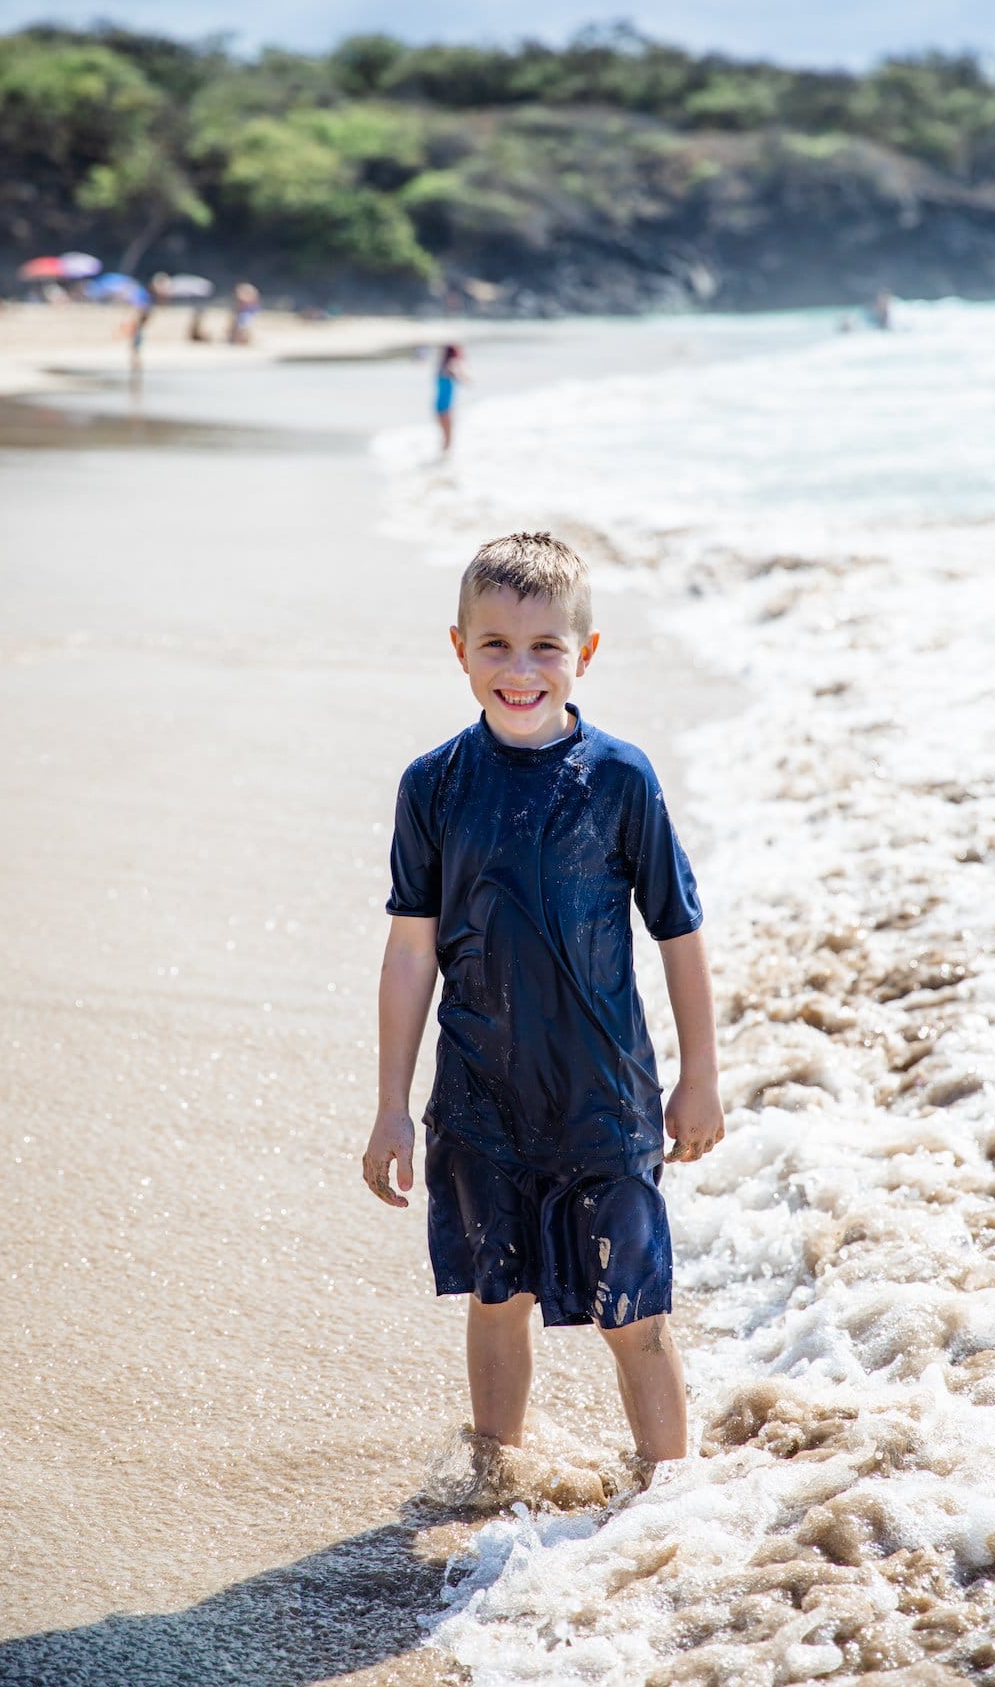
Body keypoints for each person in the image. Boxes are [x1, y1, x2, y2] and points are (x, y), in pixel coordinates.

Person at [363, 531, 724, 1465]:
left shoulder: (620, 778)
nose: (520, 670)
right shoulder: (434, 785)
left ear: (585, 654)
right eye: (495, 646)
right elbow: (410, 952)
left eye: (545, 648)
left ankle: (670, 1507)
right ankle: (497, 1472)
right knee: (496, 1300)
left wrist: (700, 1081)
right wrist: (391, 1109)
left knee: (633, 1314)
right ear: (459, 648)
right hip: (481, 1103)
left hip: (605, 1103)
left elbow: (678, 933)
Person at [434, 343, 466, 452]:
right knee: (448, 435)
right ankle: (445, 458)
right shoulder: (449, 367)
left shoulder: (441, 367)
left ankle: (443, 456)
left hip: (440, 404)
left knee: (445, 435)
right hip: (445, 406)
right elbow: (464, 379)